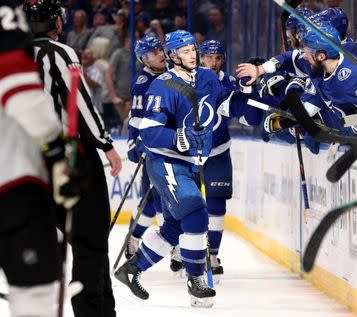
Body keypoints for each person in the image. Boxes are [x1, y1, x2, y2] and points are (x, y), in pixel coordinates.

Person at [23, 1, 122, 316]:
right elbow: (79, 103)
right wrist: (106, 144)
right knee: (89, 240)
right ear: (55, 24)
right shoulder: (59, 52)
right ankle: (96, 310)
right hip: (69, 158)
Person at [115, 30, 219, 308]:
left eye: (193, 50)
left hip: (190, 164)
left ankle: (132, 269)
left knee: (174, 226)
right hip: (165, 162)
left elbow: (227, 102)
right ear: (172, 56)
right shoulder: (161, 86)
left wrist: (252, 87)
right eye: (185, 52)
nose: (192, 55)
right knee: (195, 211)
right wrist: (178, 139)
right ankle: (196, 281)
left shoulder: (207, 77)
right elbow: (149, 132)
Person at [0, 1, 79, 316]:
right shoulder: (5, 15)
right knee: (36, 294)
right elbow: (18, 89)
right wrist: (55, 150)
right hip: (11, 181)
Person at [125, 34, 166, 260]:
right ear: (144, 60)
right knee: (155, 200)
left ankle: (138, 236)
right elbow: (136, 118)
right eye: (153, 53)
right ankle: (171, 246)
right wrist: (135, 141)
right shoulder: (143, 83)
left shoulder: (171, 73)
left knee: (154, 201)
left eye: (160, 49)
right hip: (152, 146)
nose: (160, 54)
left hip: (168, 144)